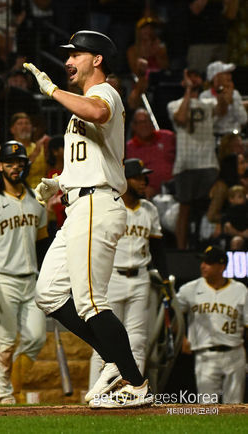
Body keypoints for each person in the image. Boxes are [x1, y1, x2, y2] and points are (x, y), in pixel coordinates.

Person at [24, 30, 152, 408]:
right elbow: (92, 159)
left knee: (91, 302)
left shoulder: (105, 92)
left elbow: (98, 112)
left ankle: (136, 384)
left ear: (97, 60)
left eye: (76, 53)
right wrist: (58, 182)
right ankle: (114, 360)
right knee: (47, 292)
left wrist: (51, 92)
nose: (68, 60)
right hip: (80, 204)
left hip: (98, 203)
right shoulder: (82, 101)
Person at [88, 158, 167, 394]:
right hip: (111, 278)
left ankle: (131, 391)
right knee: (104, 341)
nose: (144, 182)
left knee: (138, 341)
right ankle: (97, 391)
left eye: (144, 177)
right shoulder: (110, 206)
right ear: (124, 180)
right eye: (138, 177)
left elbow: (158, 249)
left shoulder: (149, 209)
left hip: (141, 277)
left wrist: (164, 278)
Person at [0, 141, 49, 405]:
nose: (15, 167)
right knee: (5, 341)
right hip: (1, 279)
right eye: (10, 163)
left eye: (20, 162)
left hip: (32, 279)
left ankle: (13, 387)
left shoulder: (36, 199)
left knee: (36, 337)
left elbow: (43, 244)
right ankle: (5, 396)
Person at [175, 245, 247, 404]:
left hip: (235, 353)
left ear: (221, 267)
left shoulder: (240, 290)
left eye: (208, 263)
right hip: (205, 354)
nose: (203, 266)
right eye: (203, 262)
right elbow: (172, 313)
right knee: (207, 407)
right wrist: (182, 338)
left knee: (235, 408)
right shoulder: (190, 289)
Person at [167, 69, 221, 250]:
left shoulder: (209, 102)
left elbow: (223, 110)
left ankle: (208, 247)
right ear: (183, 82)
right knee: (185, 209)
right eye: (189, 77)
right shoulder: (174, 105)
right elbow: (181, 119)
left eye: (197, 76)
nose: (193, 79)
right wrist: (188, 92)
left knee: (208, 209)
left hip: (208, 164)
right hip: (185, 165)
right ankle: (182, 252)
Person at [125, 109, 176, 198]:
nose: (144, 125)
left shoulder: (168, 137)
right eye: (140, 122)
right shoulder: (129, 148)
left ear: (152, 123)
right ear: (134, 126)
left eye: (147, 121)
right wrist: (144, 188)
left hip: (175, 191)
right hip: (147, 195)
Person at [200, 61, 247, 137]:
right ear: (215, 77)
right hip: (215, 138)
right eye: (225, 73)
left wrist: (232, 101)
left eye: (229, 73)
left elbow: (243, 120)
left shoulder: (235, 94)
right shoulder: (205, 96)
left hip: (234, 137)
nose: (229, 76)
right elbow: (208, 123)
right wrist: (222, 102)